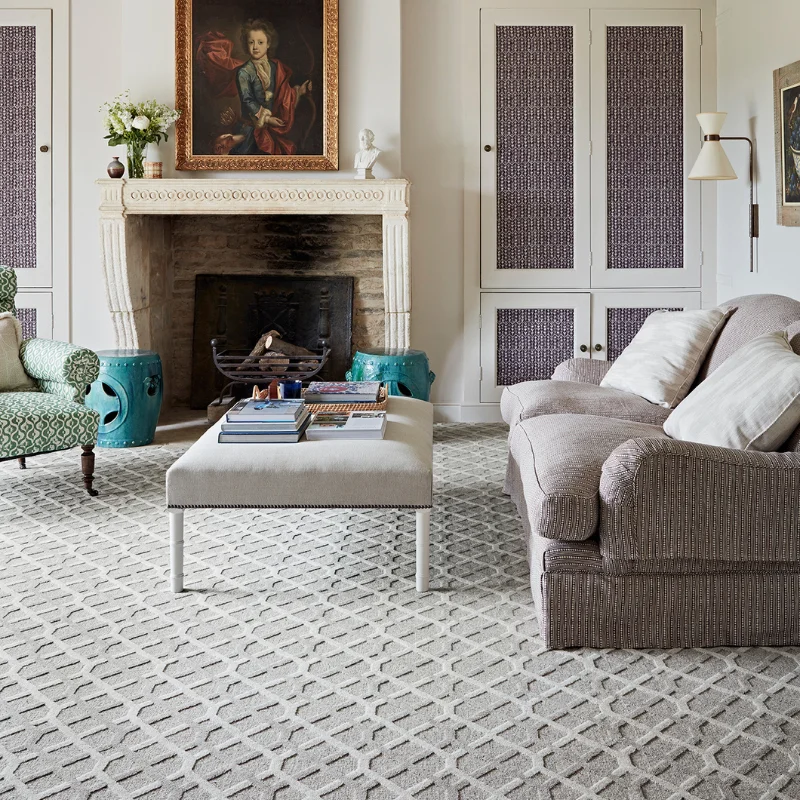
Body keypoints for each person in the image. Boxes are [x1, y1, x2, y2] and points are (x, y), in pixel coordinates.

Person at [214, 19, 312, 156]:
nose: (255, 47)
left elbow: (284, 94)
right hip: (251, 129)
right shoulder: (244, 72)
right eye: (251, 42)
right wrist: (266, 119)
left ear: (268, 44)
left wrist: (299, 92)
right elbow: (248, 101)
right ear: (245, 44)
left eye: (260, 42)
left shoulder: (276, 66)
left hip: (275, 129)